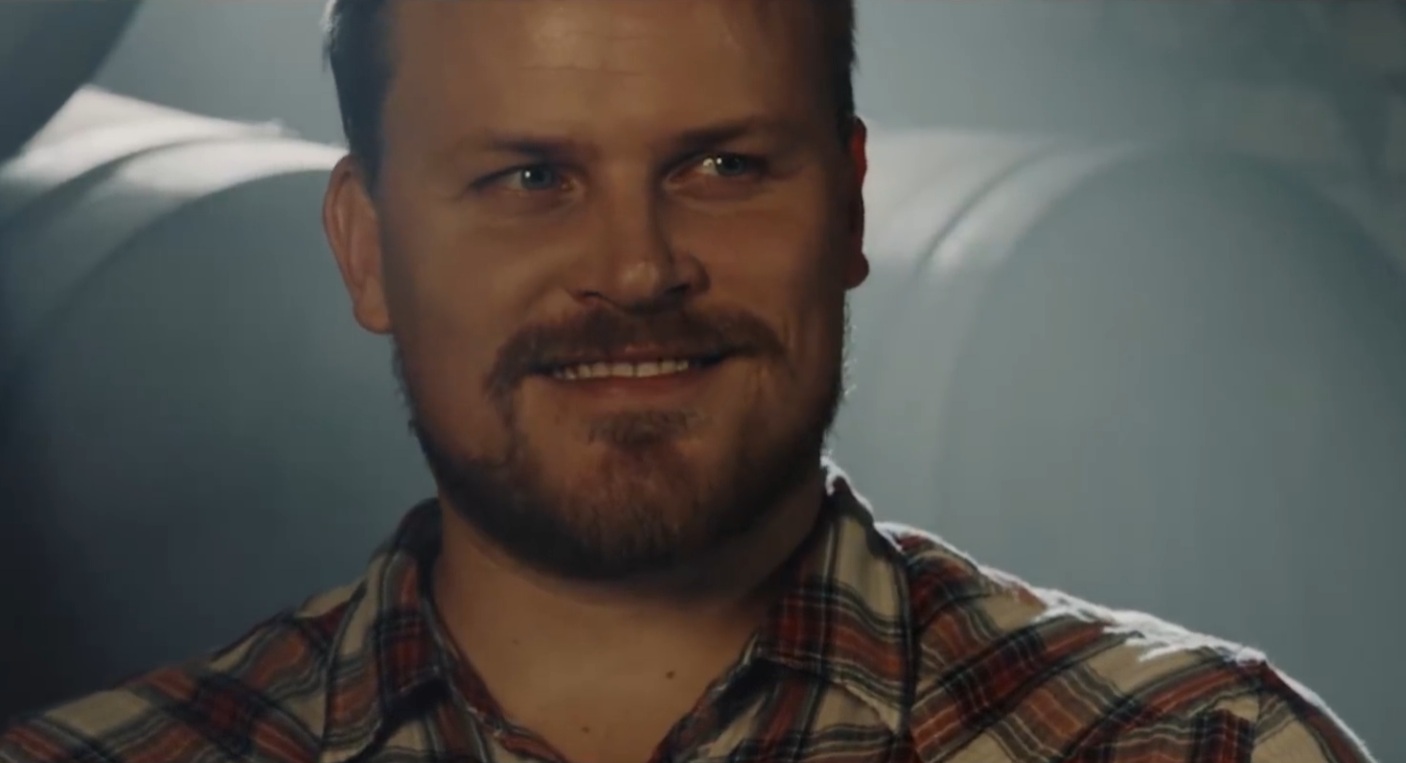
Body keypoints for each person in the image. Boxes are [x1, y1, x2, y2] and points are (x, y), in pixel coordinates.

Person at [0, 1, 1379, 762]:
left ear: (849, 207)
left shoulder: (1201, 748)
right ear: (366, 249)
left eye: (722, 166)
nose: (637, 268)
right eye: (527, 177)